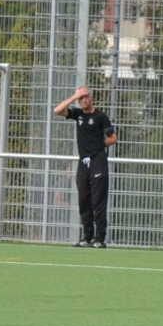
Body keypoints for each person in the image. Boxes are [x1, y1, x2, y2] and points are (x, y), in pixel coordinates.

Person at [52, 86, 116, 247]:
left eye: (86, 96)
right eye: (81, 98)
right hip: (83, 163)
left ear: (92, 98)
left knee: (98, 202)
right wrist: (74, 96)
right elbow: (57, 111)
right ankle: (87, 237)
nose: (84, 100)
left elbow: (113, 138)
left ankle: (100, 239)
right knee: (84, 201)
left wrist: (98, 147)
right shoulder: (77, 114)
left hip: (98, 162)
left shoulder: (100, 116)